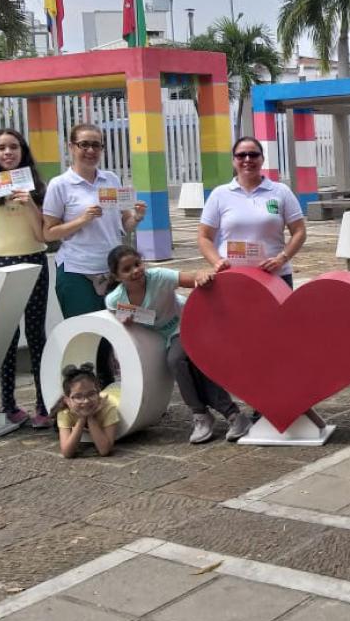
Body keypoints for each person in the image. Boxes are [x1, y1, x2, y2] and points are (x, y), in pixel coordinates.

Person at [104, 245, 253, 444]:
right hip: (164, 336)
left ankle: (203, 414)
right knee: (190, 367)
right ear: (116, 276)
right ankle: (231, 415)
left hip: (188, 322)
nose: (135, 271)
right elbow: (121, 315)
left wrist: (201, 276)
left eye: (137, 264)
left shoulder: (158, 276)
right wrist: (125, 319)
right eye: (127, 269)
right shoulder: (115, 299)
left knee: (176, 360)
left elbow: (192, 278)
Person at [42, 123, 146, 387]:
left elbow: (124, 224)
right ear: (71, 147)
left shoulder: (110, 179)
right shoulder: (60, 185)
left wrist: (136, 217)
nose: (90, 150)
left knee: (114, 334)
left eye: (96, 145)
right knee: (85, 336)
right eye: (84, 144)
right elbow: (49, 233)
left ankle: (109, 392)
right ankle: (81, 396)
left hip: (113, 272)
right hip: (77, 270)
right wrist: (82, 219)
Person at [0, 129, 51, 428]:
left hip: (34, 261)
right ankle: (8, 404)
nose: (8, 153)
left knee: (35, 333)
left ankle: (44, 404)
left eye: (14, 147)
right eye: (1, 148)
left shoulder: (36, 188)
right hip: (0, 265)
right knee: (6, 336)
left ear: (23, 151)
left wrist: (29, 201)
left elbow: (40, 234)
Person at [198, 136, 305, 289]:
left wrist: (282, 259)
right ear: (233, 161)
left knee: (276, 314)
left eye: (253, 155)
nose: (247, 159)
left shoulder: (281, 191)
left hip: (275, 277)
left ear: (262, 159)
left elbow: (299, 231)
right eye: (241, 155)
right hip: (232, 277)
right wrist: (217, 261)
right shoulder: (219, 194)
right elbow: (204, 236)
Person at [53, 362, 118, 459]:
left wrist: (90, 417)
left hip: (117, 391)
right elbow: (67, 452)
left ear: (98, 393)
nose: (86, 401)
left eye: (91, 394)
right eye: (78, 397)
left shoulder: (109, 407)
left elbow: (104, 450)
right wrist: (82, 418)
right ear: (67, 400)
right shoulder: (64, 411)